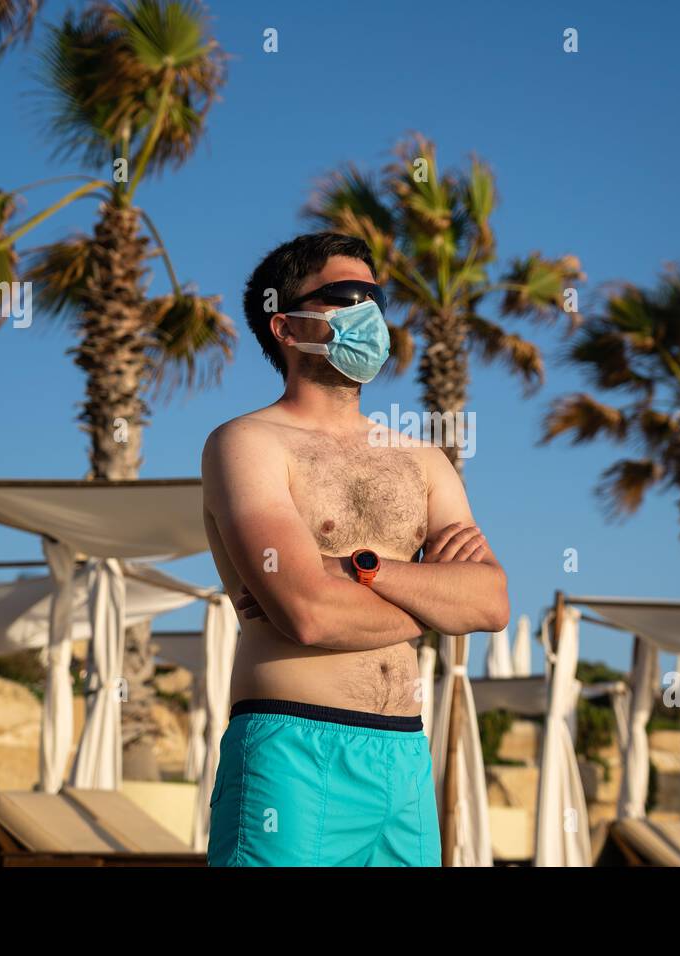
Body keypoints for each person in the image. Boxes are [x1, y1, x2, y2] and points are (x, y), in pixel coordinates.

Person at [200, 232, 509, 866]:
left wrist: (360, 571)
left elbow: (492, 604)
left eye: (375, 296)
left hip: (404, 760)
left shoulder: (422, 459)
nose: (370, 312)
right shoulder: (247, 444)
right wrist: (434, 595)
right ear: (286, 326)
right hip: (292, 748)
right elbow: (307, 615)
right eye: (347, 296)